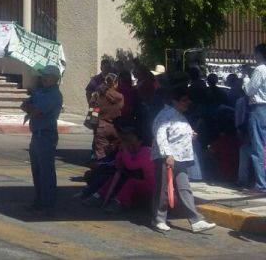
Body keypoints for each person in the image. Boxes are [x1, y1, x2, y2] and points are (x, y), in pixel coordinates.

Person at [152, 87, 217, 233]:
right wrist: (167, 155)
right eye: (184, 100)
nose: (188, 103)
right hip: (168, 158)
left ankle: (196, 220)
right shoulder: (166, 114)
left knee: (184, 188)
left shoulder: (179, 115)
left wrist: (190, 134)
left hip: (180, 158)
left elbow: (177, 133)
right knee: (163, 189)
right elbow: (160, 135)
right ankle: (158, 219)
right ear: (175, 101)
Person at [22, 65, 64, 217]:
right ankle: (39, 202)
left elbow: (36, 111)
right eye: (43, 75)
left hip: (46, 135)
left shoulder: (54, 95)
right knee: (37, 172)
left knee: (46, 172)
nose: (43, 78)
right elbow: (24, 105)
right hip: (36, 135)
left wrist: (30, 108)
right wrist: (30, 108)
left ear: (55, 78)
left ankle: (48, 205)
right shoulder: (40, 92)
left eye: (47, 75)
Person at [85, 128, 155, 213]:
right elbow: (118, 164)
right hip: (140, 179)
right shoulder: (134, 150)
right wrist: (121, 151)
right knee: (113, 177)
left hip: (151, 185)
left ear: (140, 141)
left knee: (131, 182)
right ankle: (99, 196)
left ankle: (119, 203)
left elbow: (131, 166)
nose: (129, 141)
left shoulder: (146, 151)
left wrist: (125, 150)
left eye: (131, 139)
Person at [245, 43, 266, 193]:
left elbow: (250, 91)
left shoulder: (260, 69)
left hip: (258, 108)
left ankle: (261, 184)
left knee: (258, 147)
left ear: (259, 54)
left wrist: (246, 78)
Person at [91, 73, 124, 160]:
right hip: (115, 128)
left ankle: (101, 171)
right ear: (115, 83)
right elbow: (121, 109)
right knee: (115, 153)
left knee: (100, 155)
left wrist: (93, 126)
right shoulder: (120, 97)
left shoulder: (97, 95)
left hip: (101, 127)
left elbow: (93, 110)